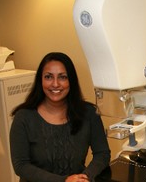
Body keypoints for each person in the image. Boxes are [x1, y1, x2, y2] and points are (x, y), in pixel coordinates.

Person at [10, 52, 111, 182]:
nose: (55, 84)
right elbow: (21, 166)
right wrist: (63, 181)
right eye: (48, 77)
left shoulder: (89, 113)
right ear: (40, 80)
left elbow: (102, 154)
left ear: (71, 80)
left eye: (62, 77)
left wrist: (85, 177)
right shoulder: (23, 117)